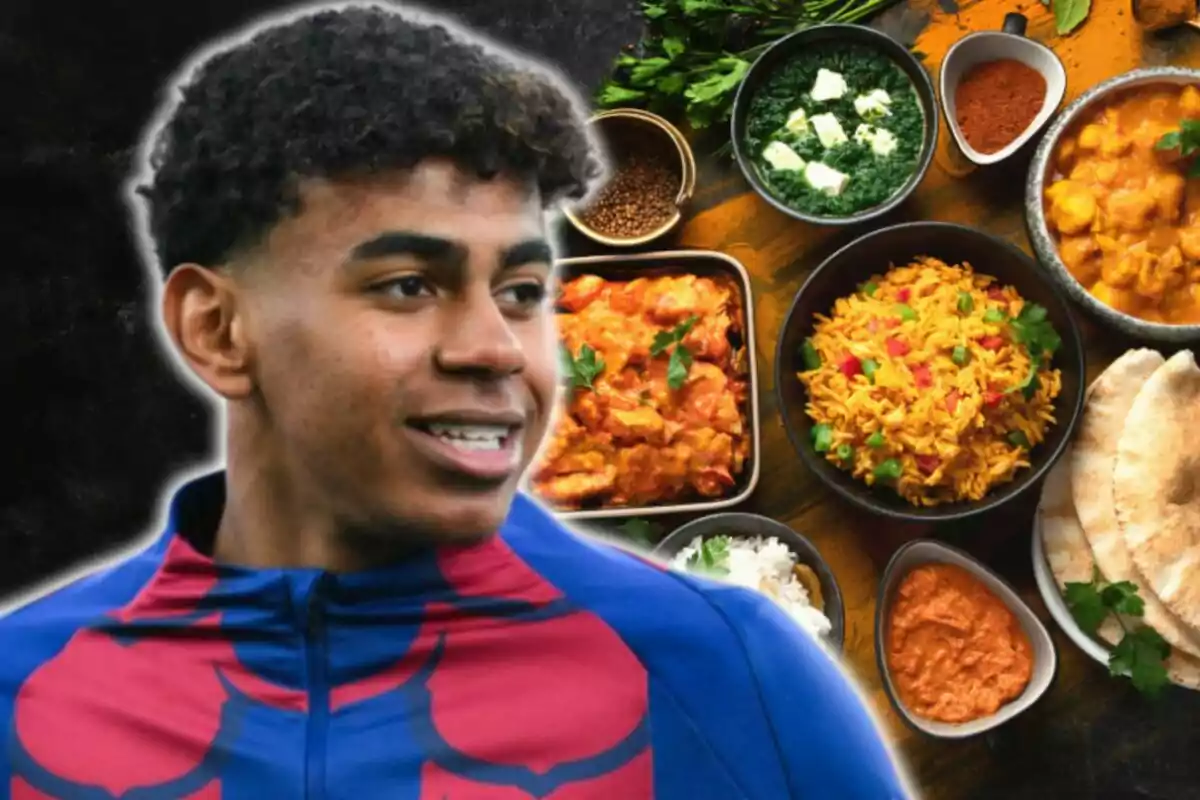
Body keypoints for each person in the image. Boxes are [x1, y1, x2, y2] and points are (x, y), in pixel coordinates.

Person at [0, 3, 913, 798]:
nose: (496, 350)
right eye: (406, 284)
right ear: (216, 328)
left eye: (519, 291)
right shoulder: (22, 695)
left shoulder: (727, 669)